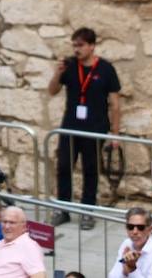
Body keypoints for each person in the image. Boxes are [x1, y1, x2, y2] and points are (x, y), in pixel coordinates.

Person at [47, 26, 121, 223]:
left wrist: (115, 133)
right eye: (74, 45)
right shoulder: (70, 66)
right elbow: (52, 91)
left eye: (80, 45)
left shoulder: (106, 69)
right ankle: (63, 209)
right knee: (64, 167)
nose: (76, 50)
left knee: (90, 169)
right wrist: (57, 73)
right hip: (70, 127)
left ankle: (87, 210)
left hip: (95, 128)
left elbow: (115, 103)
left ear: (92, 46)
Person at [0, 207, 45, 278]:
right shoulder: (4, 242)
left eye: (12, 223)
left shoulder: (28, 246)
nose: (7, 226)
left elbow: (40, 276)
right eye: (4, 222)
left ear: (23, 227)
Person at [107, 208, 152, 278]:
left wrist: (132, 269)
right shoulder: (127, 243)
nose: (135, 232)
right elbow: (113, 275)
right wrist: (125, 271)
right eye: (130, 227)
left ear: (149, 230)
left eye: (140, 227)